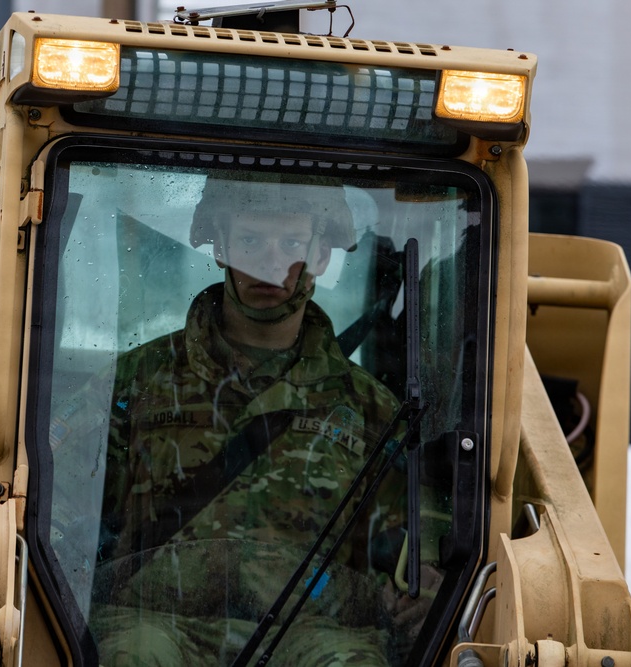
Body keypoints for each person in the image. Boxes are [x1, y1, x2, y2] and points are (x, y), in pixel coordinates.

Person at [55, 172, 421, 666]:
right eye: (250, 240)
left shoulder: (371, 412)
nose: (269, 262)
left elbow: (411, 552)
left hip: (311, 632)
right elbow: (53, 500)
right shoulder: (135, 384)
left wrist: (418, 590)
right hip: (153, 622)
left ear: (321, 254)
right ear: (221, 246)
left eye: (290, 241)